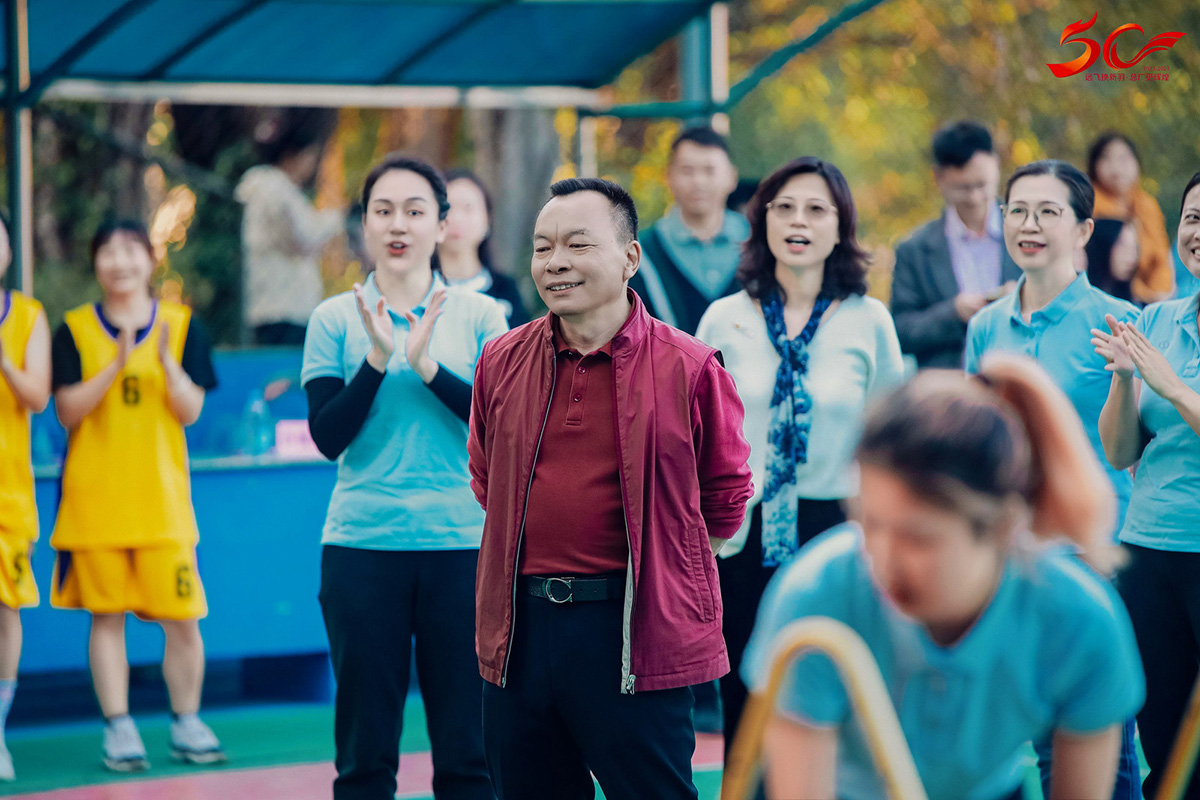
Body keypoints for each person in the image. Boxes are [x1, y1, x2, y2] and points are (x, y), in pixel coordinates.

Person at [743, 356, 1145, 800]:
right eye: (869, 523)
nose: (883, 558)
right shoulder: (820, 595)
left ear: (1002, 528)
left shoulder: (1076, 620)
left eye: (919, 538)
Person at [468, 177, 753, 800]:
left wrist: (664, 564)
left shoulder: (691, 366)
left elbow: (726, 498)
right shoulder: (500, 362)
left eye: (576, 244)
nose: (556, 263)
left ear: (630, 258)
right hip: (521, 629)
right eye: (543, 248)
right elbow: (488, 480)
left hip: (636, 631)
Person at [303, 154, 506, 800]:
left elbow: (502, 431)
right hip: (362, 548)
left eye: (415, 211)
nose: (399, 224)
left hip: (464, 549)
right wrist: (375, 360)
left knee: (469, 752)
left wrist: (426, 369)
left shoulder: (482, 317)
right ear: (365, 224)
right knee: (364, 755)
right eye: (383, 210)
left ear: (443, 225)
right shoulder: (335, 319)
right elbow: (329, 437)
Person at [695, 156, 904, 756]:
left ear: (840, 228)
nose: (798, 221)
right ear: (761, 222)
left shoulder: (871, 322)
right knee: (745, 693)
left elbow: (889, 440)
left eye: (816, 210)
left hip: (838, 527)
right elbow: (696, 430)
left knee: (836, 692)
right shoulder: (724, 317)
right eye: (783, 208)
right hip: (742, 531)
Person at [965, 159, 1142, 799]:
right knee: (1029, 736)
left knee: (1099, 743)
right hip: (1011, 553)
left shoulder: (1120, 324)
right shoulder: (985, 325)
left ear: (1084, 229)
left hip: (1096, 555)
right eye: (1017, 210)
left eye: (1048, 212)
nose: (1029, 225)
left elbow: (1134, 446)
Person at [50, 220, 224, 772]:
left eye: (130, 251)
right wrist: (116, 366)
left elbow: (191, 411)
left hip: (164, 507)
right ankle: (119, 728)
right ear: (95, 264)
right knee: (106, 619)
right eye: (107, 252)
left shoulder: (182, 325)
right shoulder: (75, 330)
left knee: (184, 621)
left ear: (151, 261)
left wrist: (169, 368)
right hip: (94, 505)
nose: (119, 262)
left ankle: (187, 721)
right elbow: (66, 412)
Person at [1095, 171, 1200, 800]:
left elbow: (1178, 397)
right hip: (1149, 551)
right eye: (1192, 217)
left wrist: (1173, 387)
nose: (1199, 232)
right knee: (1158, 739)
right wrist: (1127, 379)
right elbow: (1119, 451)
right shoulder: (1157, 320)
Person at [891, 121, 1019, 368]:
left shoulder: (1031, 231)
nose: (974, 198)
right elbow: (900, 332)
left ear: (996, 165)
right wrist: (953, 313)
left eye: (982, 185)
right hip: (949, 389)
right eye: (962, 188)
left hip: (1022, 381)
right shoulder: (914, 250)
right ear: (938, 177)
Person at [0, 216, 50, 781]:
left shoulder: (28, 317)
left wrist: (6, 359)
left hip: (9, 494)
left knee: (6, 610)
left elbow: (37, 397)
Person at [629, 126, 748, 335]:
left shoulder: (760, 241)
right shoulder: (643, 254)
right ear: (669, 177)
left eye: (710, 170)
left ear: (732, 177)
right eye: (687, 170)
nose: (698, 182)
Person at [237, 125, 343, 345]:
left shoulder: (273, 188)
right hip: (283, 308)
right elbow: (304, 238)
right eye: (309, 156)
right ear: (292, 156)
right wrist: (335, 218)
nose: (312, 164)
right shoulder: (276, 189)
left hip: (277, 305)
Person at [1088, 132, 1174, 304]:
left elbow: (1161, 258)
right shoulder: (1089, 205)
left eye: (1124, 159)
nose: (1116, 167)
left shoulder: (1147, 206)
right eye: (1107, 158)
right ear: (1094, 164)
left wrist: (1162, 294)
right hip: (1103, 296)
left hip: (1152, 298)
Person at [441, 169, 530, 326]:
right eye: (447, 208)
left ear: (487, 219)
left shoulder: (506, 289)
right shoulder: (418, 289)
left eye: (468, 207)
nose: (456, 218)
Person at [1084, 219, 1139, 302]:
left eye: (1134, 248)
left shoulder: (1135, 304)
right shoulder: (1082, 298)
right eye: (1123, 247)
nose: (1132, 257)